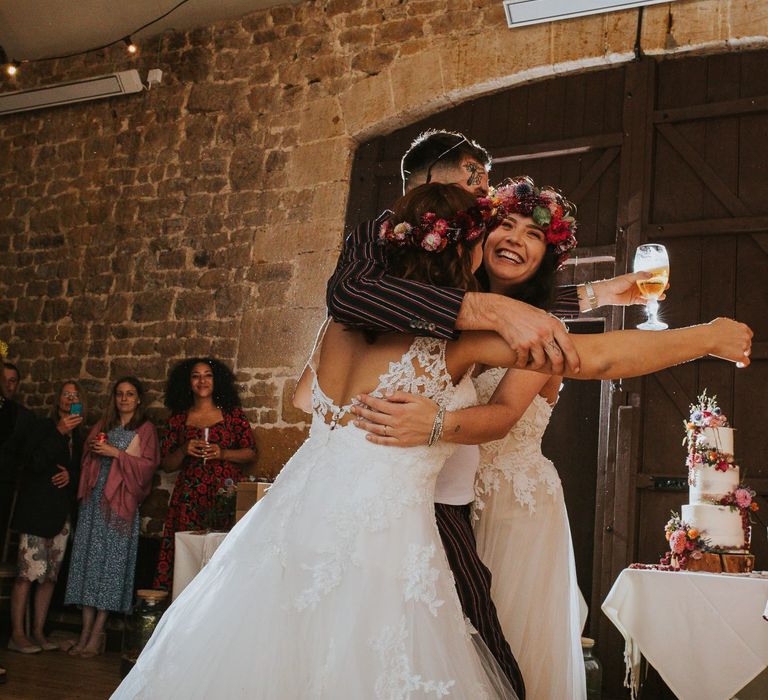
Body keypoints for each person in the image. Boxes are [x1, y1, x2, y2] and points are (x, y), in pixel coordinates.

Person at [112, 183, 750, 699]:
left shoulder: (337, 324)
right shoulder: (457, 341)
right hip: (383, 541)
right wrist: (705, 336)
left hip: (291, 527)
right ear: (466, 252)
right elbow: (594, 359)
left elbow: (301, 399)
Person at [327, 129, 659, 689]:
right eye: (473, 175)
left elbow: (519, 305)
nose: (484, 192)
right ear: (431, 179)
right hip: (395, 487)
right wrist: (483, 308)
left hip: (476, 494)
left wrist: (596, 294)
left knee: (477, 636)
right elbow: (349, 297)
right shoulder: (386, 237)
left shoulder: (468, 260)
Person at [65, 377, 160, 658]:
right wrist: (94, 451)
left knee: (111, 568)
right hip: (94, 505)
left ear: (139, 399)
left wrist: (115, 453)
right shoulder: (103, 425)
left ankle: (98, 633)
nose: (124, 399)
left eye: (130, 394)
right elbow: (86, 456)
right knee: (88, 564)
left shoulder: (146, 429)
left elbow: (148, 467)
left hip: (120, 506)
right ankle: (84, 633)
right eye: (119, 394)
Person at [152, 358, 256, 591]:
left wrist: (223, 453)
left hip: (223, 497)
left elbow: (250, 453)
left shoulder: (233, 415)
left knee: (221, 555)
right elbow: (166, 464)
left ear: (216, 380)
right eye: (196, 376)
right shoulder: (178, 418)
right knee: (186, 557)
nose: (202, 380)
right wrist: (183, 449)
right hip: (188, 499)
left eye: (208, 375)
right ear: (188, 382)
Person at [9, 381, 85, 654]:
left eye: (75, 395)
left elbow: (82, 471)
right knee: (26, 575)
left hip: (60, 516)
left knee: (49, 577)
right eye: (65, 394)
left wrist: (71, 476)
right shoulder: (42, 427)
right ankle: (17, 634)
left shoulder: (80, 434)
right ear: (57, 400)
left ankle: (38, 632)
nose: (69, 399)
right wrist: (58, 432)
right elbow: (32, 462)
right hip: (36, 512)